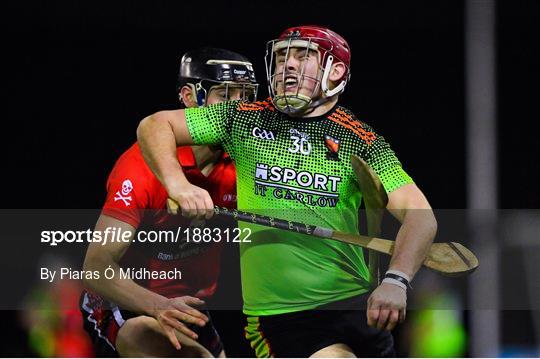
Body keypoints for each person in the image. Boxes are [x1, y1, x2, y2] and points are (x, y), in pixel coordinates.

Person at [137, 25, 437, 358]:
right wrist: (177, 184)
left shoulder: (360, 139)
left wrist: (396, 281)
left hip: (359, 306)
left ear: (335, 71)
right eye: (281, 57)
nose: (287, 65)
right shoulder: (242, 119)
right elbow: (154, 125)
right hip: (283, 319)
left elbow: (421, 218)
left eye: (302, 55)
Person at [81, 47, 258, 357]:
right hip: (128, 304)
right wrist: (157, 306)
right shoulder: (139, 168)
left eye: (245, 97)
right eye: (225, 96)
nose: (237, 110)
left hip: (188, 308)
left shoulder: (243, 162)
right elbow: (96, 267)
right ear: (189, 97)